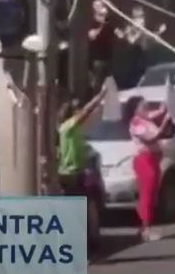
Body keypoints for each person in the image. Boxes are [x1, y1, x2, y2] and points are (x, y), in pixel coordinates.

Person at [57, 82, 112, 252]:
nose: (79, 113)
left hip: (77, 174)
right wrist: (100, 96)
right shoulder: (67, 127)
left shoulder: (72, 131)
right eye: (75, 111)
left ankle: (87, 244)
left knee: (87, 210)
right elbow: (86, 111)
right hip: (70, 175)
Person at [129, 98, 171, 242]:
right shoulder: (136, 123)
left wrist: (167, 105)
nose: (147, 107)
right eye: (143, 105)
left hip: (153, 160)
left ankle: (146, 226)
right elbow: (149, 139)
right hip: (144, 160)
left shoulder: (146, 119)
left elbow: (160, 111)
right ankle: (145, 229)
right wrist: (163, 124)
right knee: (146, 195)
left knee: (152, 195)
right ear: (136, 109)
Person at [117, 6, 167, 89]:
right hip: (132, 66)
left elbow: (154, 41)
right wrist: (136, 33)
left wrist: (158, 33)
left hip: (145, 64)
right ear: (132, 19)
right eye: (137, 17)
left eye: (142, 16)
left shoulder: (145, 31)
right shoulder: (129, 29)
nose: (140, 20)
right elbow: (131, 42)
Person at [88, 0, 118, 93]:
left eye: (102, 5)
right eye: (99, 6)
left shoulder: (109, 22)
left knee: (109, 83)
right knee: (97, 85)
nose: (102, 7)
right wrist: (103, 25)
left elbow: (117, 33)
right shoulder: (93, 22)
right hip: (98, 60)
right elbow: (92, 36)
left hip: (108, 58)